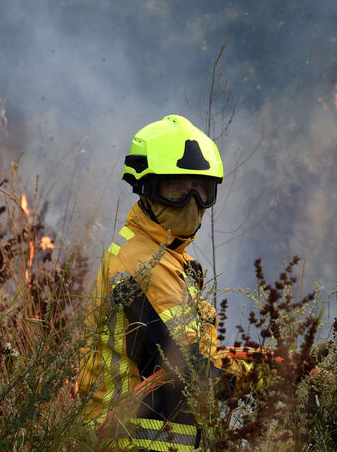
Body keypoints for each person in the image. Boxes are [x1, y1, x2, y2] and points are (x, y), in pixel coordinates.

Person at [78, 114, 253, 451]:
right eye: (176, 188)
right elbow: (193, 373)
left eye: (201, 190)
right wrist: (270, 375)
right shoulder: (140, 264)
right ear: (146, 188)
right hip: (130, 442)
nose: (191, 202)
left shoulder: (168, 260)